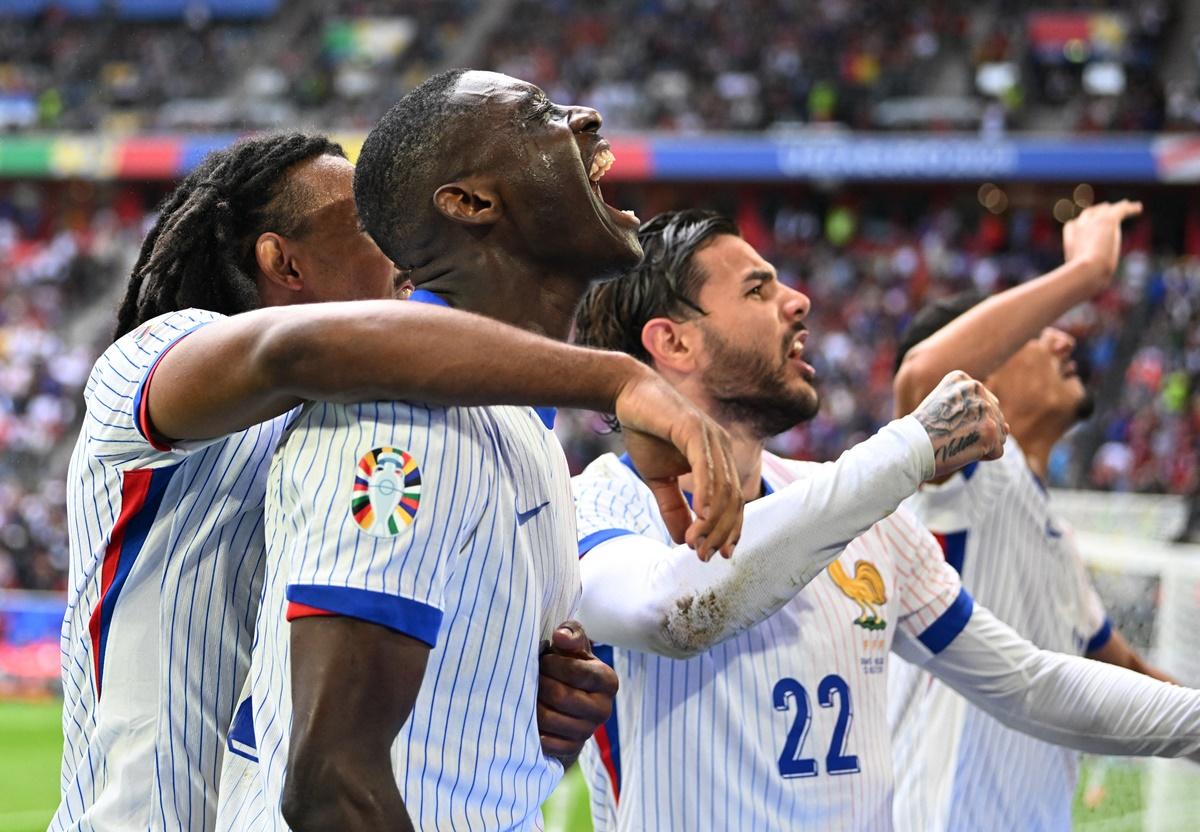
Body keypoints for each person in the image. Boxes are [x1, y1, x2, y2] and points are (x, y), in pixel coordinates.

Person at [57, 131, 742, 832]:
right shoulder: (143, 365)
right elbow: (292, 350)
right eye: (366, 225)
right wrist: (618, 379)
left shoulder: (367, 421)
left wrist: (523, 700)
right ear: (282, 260)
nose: (399, 244)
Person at [567, 208, 1200, 831]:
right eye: (758, 290)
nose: (798, 301)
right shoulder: (599, 506)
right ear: (673, 341)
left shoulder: (859, 510)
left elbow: (1028, 685)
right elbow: (674, 614)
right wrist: (911, 447)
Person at [888, 200, 1175, 832]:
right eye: (1030, 331)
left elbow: (1126, 671)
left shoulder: (1049, 528)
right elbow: (921, 377)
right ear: (976, 381)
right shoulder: (978, 477)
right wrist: (1088, 271)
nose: (1062, 335)